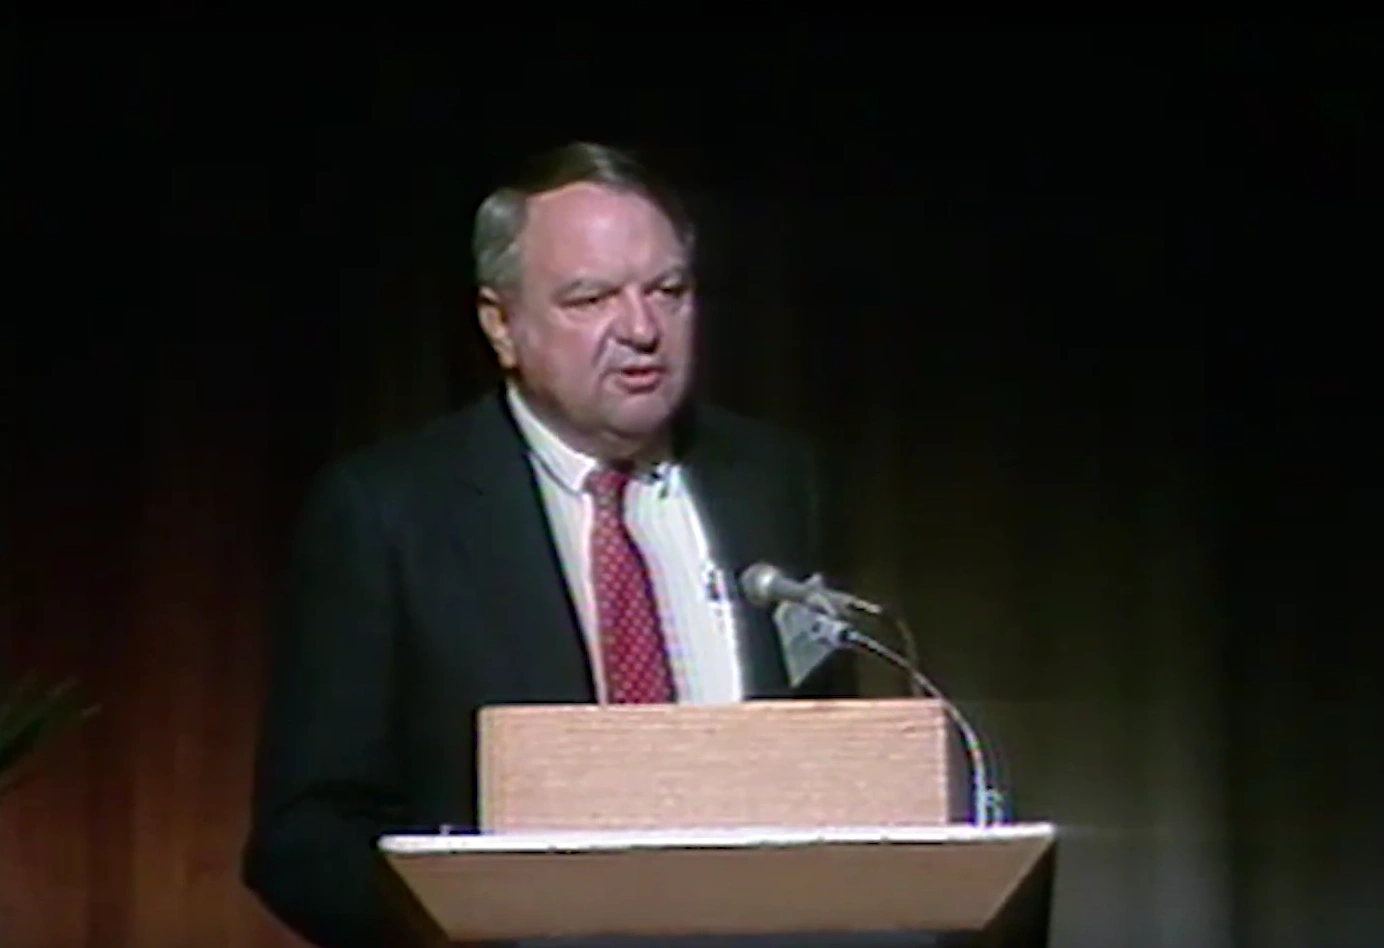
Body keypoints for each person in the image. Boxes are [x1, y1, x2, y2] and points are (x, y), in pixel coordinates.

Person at [242, 141, 850, 948]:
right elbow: (306, 837)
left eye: (668, 291)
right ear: (501, 325)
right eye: (591, 298)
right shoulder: (389, 511)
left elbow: (831, 763)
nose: (641, 329)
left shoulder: (771, 479)